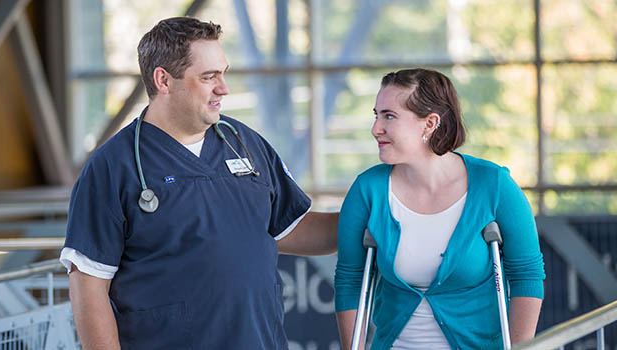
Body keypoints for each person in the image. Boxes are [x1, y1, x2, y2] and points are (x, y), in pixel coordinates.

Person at [61, 17, 338, 349]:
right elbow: (88, 286)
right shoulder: (112, 167)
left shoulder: (245, 143)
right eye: (209, 77)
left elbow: (291, 228)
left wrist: (371, 215)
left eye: (223, 73)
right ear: (163, 80)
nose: (224, 88)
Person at [334, 68, 545, 349]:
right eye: (377, 115)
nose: (376, 128)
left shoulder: (493, 185)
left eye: (389, 116)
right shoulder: (367, 190)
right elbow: (350, 281)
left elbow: (526, 275)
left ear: (429, 123)